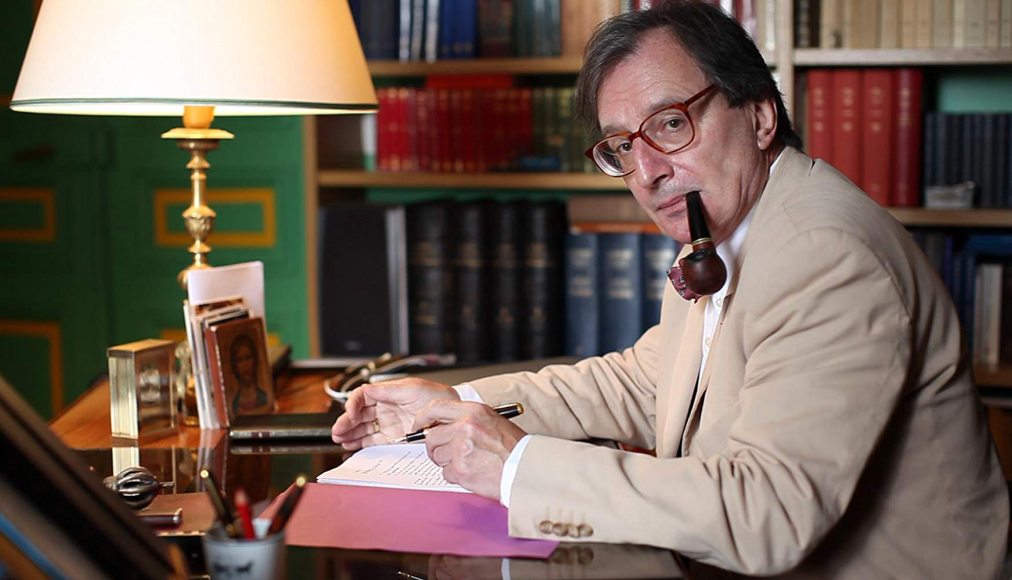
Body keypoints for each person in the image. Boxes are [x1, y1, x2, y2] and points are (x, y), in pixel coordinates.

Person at [332, 1, 1009, 577]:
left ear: (760, 116)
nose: (648, 170)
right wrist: (455, 405)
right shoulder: (727, 227)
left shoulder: (825, 254)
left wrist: (517, 468)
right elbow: (648, 382)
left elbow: (766, 513)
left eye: (671, 124)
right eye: (622, 146)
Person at [229, 333, 269, 415]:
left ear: (254, 360)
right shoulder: (234, 405)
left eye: (248, 358)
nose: (245, 365)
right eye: (239, 360)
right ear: (234, 366)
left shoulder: (264, 398)